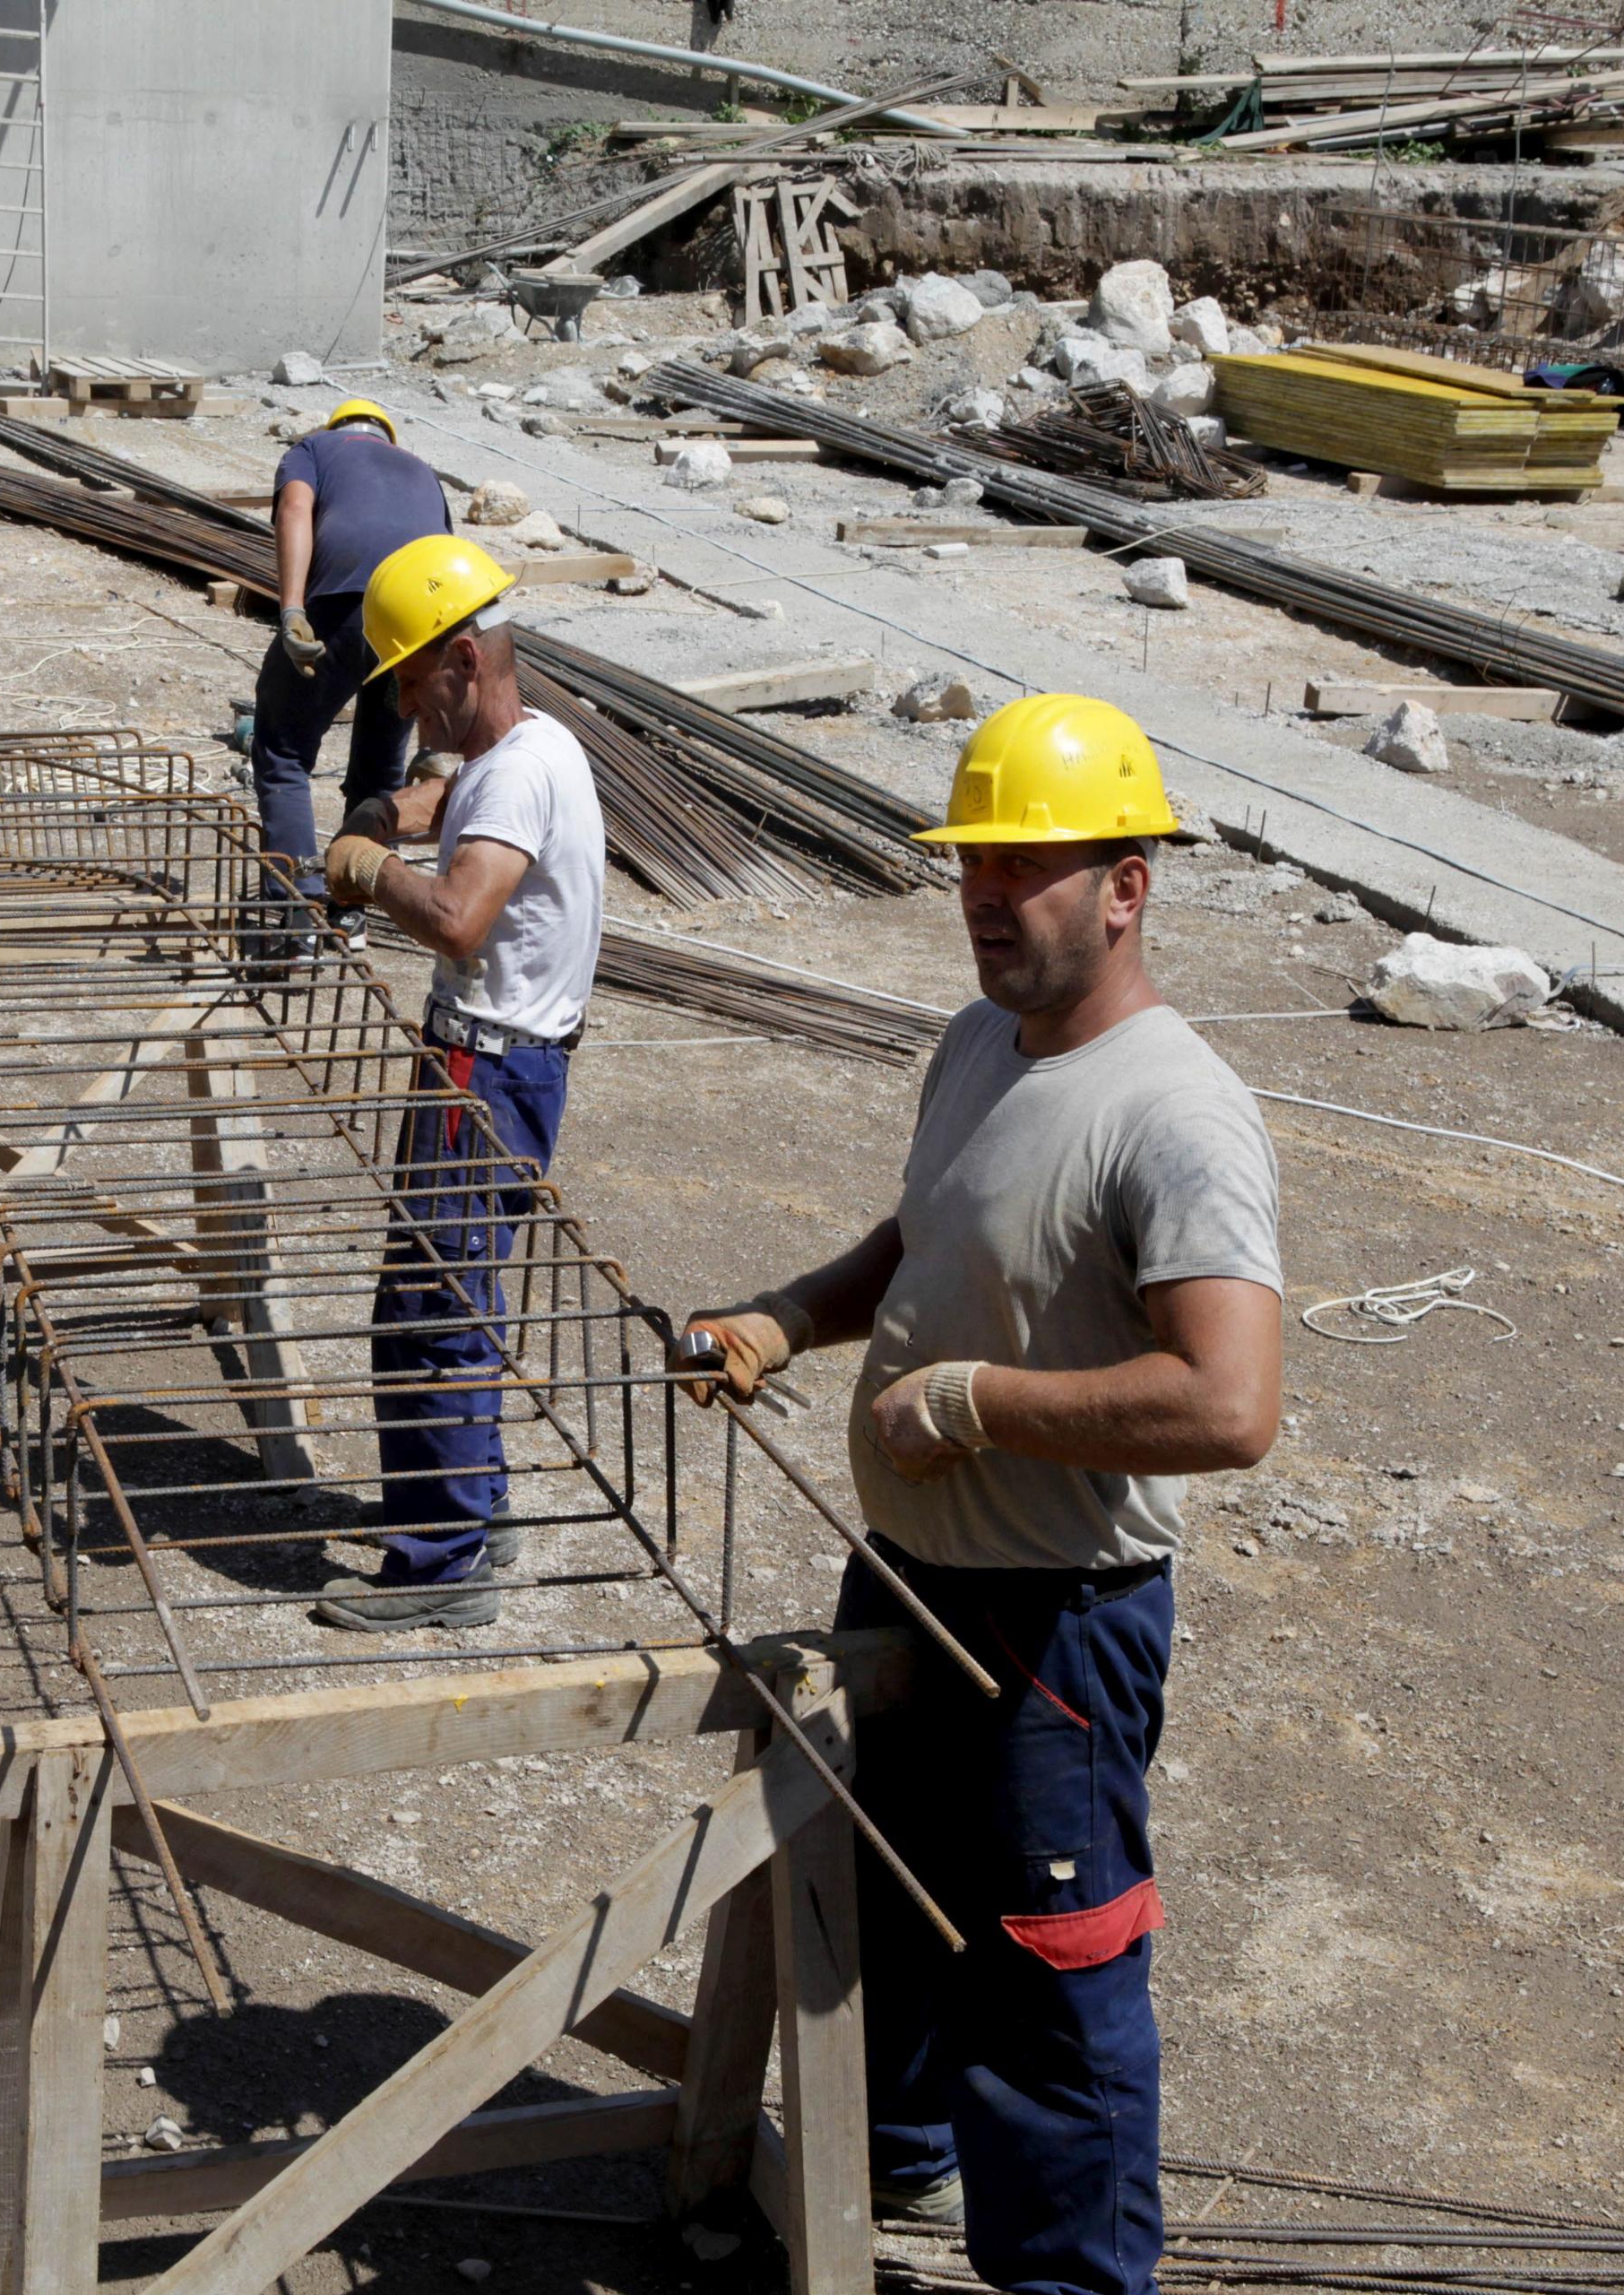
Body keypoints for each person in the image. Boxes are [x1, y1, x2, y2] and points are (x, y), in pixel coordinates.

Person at [673, 695, 1283, 2295]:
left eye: (1029, 869)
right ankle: (893, 2176)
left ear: (1129, 887)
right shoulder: (976, 1046)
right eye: (973, 867)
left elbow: (1230, 1404)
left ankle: (1071, 2282)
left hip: (1053, 1634)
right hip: (914, 1576)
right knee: (893, 1913)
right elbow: (925, 1237)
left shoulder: (1178, 1111)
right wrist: (791, 1315)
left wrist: (983, 1402)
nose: (989, 901)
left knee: (1051, 1991)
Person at [309, 535, 604, 1632]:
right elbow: (453, 798)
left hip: (483, 1067)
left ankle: (439, 1568)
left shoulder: (520, 769)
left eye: (409, 679)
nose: (400, 700)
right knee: (458, 1292)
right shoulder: (529, 746)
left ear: (464, 660)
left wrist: (368, 869)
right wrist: (388, 814)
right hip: (510, 1064)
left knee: (428, 1306)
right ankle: (473, 1506)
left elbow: (460, 919)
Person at [254, 399, 450, 925]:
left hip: (343, 606)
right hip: (415, 624)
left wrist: (293, 610)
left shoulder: (313, 448)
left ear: (336, 426)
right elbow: (445, 563)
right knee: (380, 768)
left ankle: (298, 910)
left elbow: (295, 510)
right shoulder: (422, 471)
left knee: (282, 750)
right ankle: (351, 904)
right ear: (386, 436)